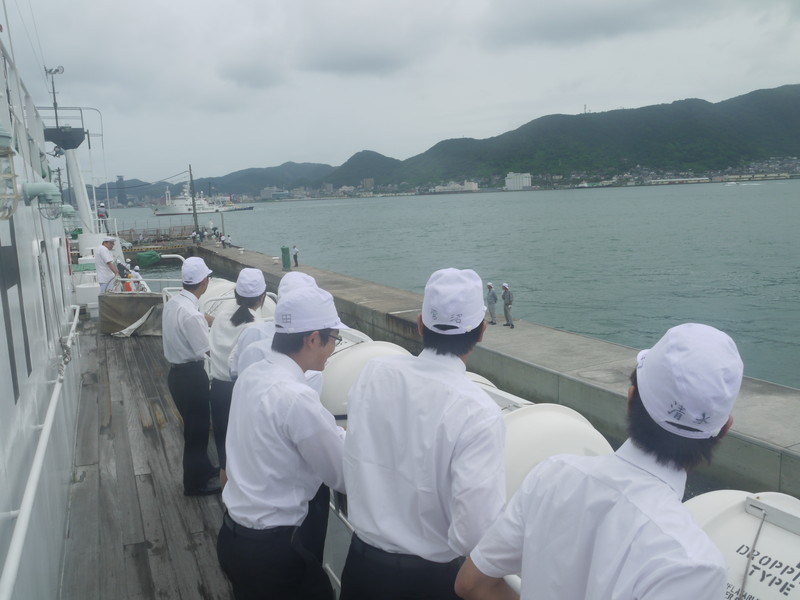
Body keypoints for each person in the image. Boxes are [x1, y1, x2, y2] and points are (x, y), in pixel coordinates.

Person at [455, 323, 744, 600]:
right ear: (724, 429)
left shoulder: (552, 475)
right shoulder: (694, 564)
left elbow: (471, 584)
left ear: (630, 399)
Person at [339, 268, 506, 600]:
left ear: (419, 324)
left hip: (361, 567)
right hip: (428, 582)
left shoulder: (373, 373)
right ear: (482, 331)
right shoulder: (478, 411)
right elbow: (475, 532)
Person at [217, 285, 349, 600]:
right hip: (271, 553)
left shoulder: (252, 375)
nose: (333, 348)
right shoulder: (296, 397)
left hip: (233, 536)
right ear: (313, 339)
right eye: (334, 339)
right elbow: (342, 473)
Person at [161, 257, 220, 496]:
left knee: (194, 428)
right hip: (192, 378)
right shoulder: (190, 314)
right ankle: (193, 485)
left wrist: (218, 321)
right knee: (196, 433)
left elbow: (197, 316)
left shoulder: (175, 303)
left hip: (177, 376)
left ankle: (203, 469)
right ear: (204, 281)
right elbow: (209, 350)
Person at [208, 268, 267, 487]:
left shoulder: (222, 316)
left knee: (224, 456)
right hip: (241, 394)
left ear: (235, 293)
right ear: (262, 297)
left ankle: (227, 501)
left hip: (217, 390)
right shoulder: (257, 327)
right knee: (245, 454)